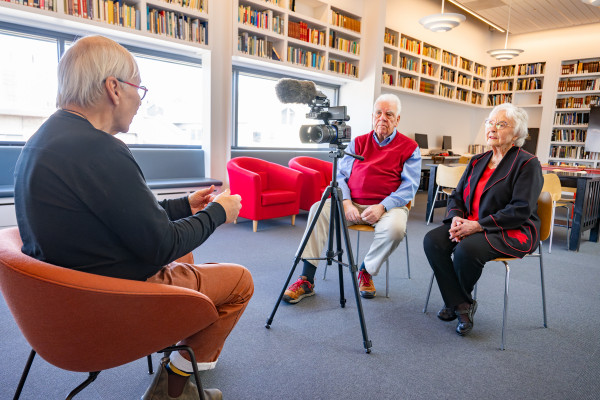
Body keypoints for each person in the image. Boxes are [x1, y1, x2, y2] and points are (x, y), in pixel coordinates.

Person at [13, 35, 253, 400]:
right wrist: (219, 213)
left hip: (63, 300)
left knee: (187, 256)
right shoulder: (101, 149)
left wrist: (183, 206)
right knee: (240, 282)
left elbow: (116, 213)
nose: (140, 101)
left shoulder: (44, 140)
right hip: (110, 303)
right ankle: (172, 389)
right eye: (138, 89)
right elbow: (162, 245)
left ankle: (181, 345)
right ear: (113, 88)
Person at [283, 93, 421, 303]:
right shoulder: (357, 142)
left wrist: (382, 207)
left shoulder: (410, 147)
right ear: (373, 115)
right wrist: (346, 202)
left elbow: (409, 187)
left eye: (389, 114)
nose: (382, 118)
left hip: (388, 207)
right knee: (317, 210)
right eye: (378, 113)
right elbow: (340, 176)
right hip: (351, 203)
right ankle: (306, 279)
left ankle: (365, 270)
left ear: (397, 119)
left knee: (396, 229)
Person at [423, 103, 543, 336]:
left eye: (501, 124)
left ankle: (455, 303)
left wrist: (477, 225)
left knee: (466, 250)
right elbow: (457, 196)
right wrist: (456, 217)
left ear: (517, 133)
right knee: (432, 241)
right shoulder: (478, 160)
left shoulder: (527, 163)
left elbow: (521, 209)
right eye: (490, 122)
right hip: (469, 222)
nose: (492, 128)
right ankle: (462, 304)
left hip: (509, 228)